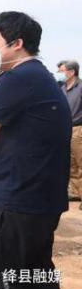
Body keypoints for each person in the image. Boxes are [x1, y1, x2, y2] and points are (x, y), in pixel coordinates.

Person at [0, 11, 70, 289]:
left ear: (17, 43)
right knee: (37, 277)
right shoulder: (40, 75)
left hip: (17, 199)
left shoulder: (16, 78)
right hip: (42, 199)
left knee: (0, 281)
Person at [57, 60, 82, 210]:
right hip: (65, 129)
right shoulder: (62, 89)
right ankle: (75, 192)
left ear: (72, 72)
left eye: (61, 71)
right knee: (71, 164)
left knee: (81, 162)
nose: (59, 74)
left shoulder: (80, 87)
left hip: (79, 129)